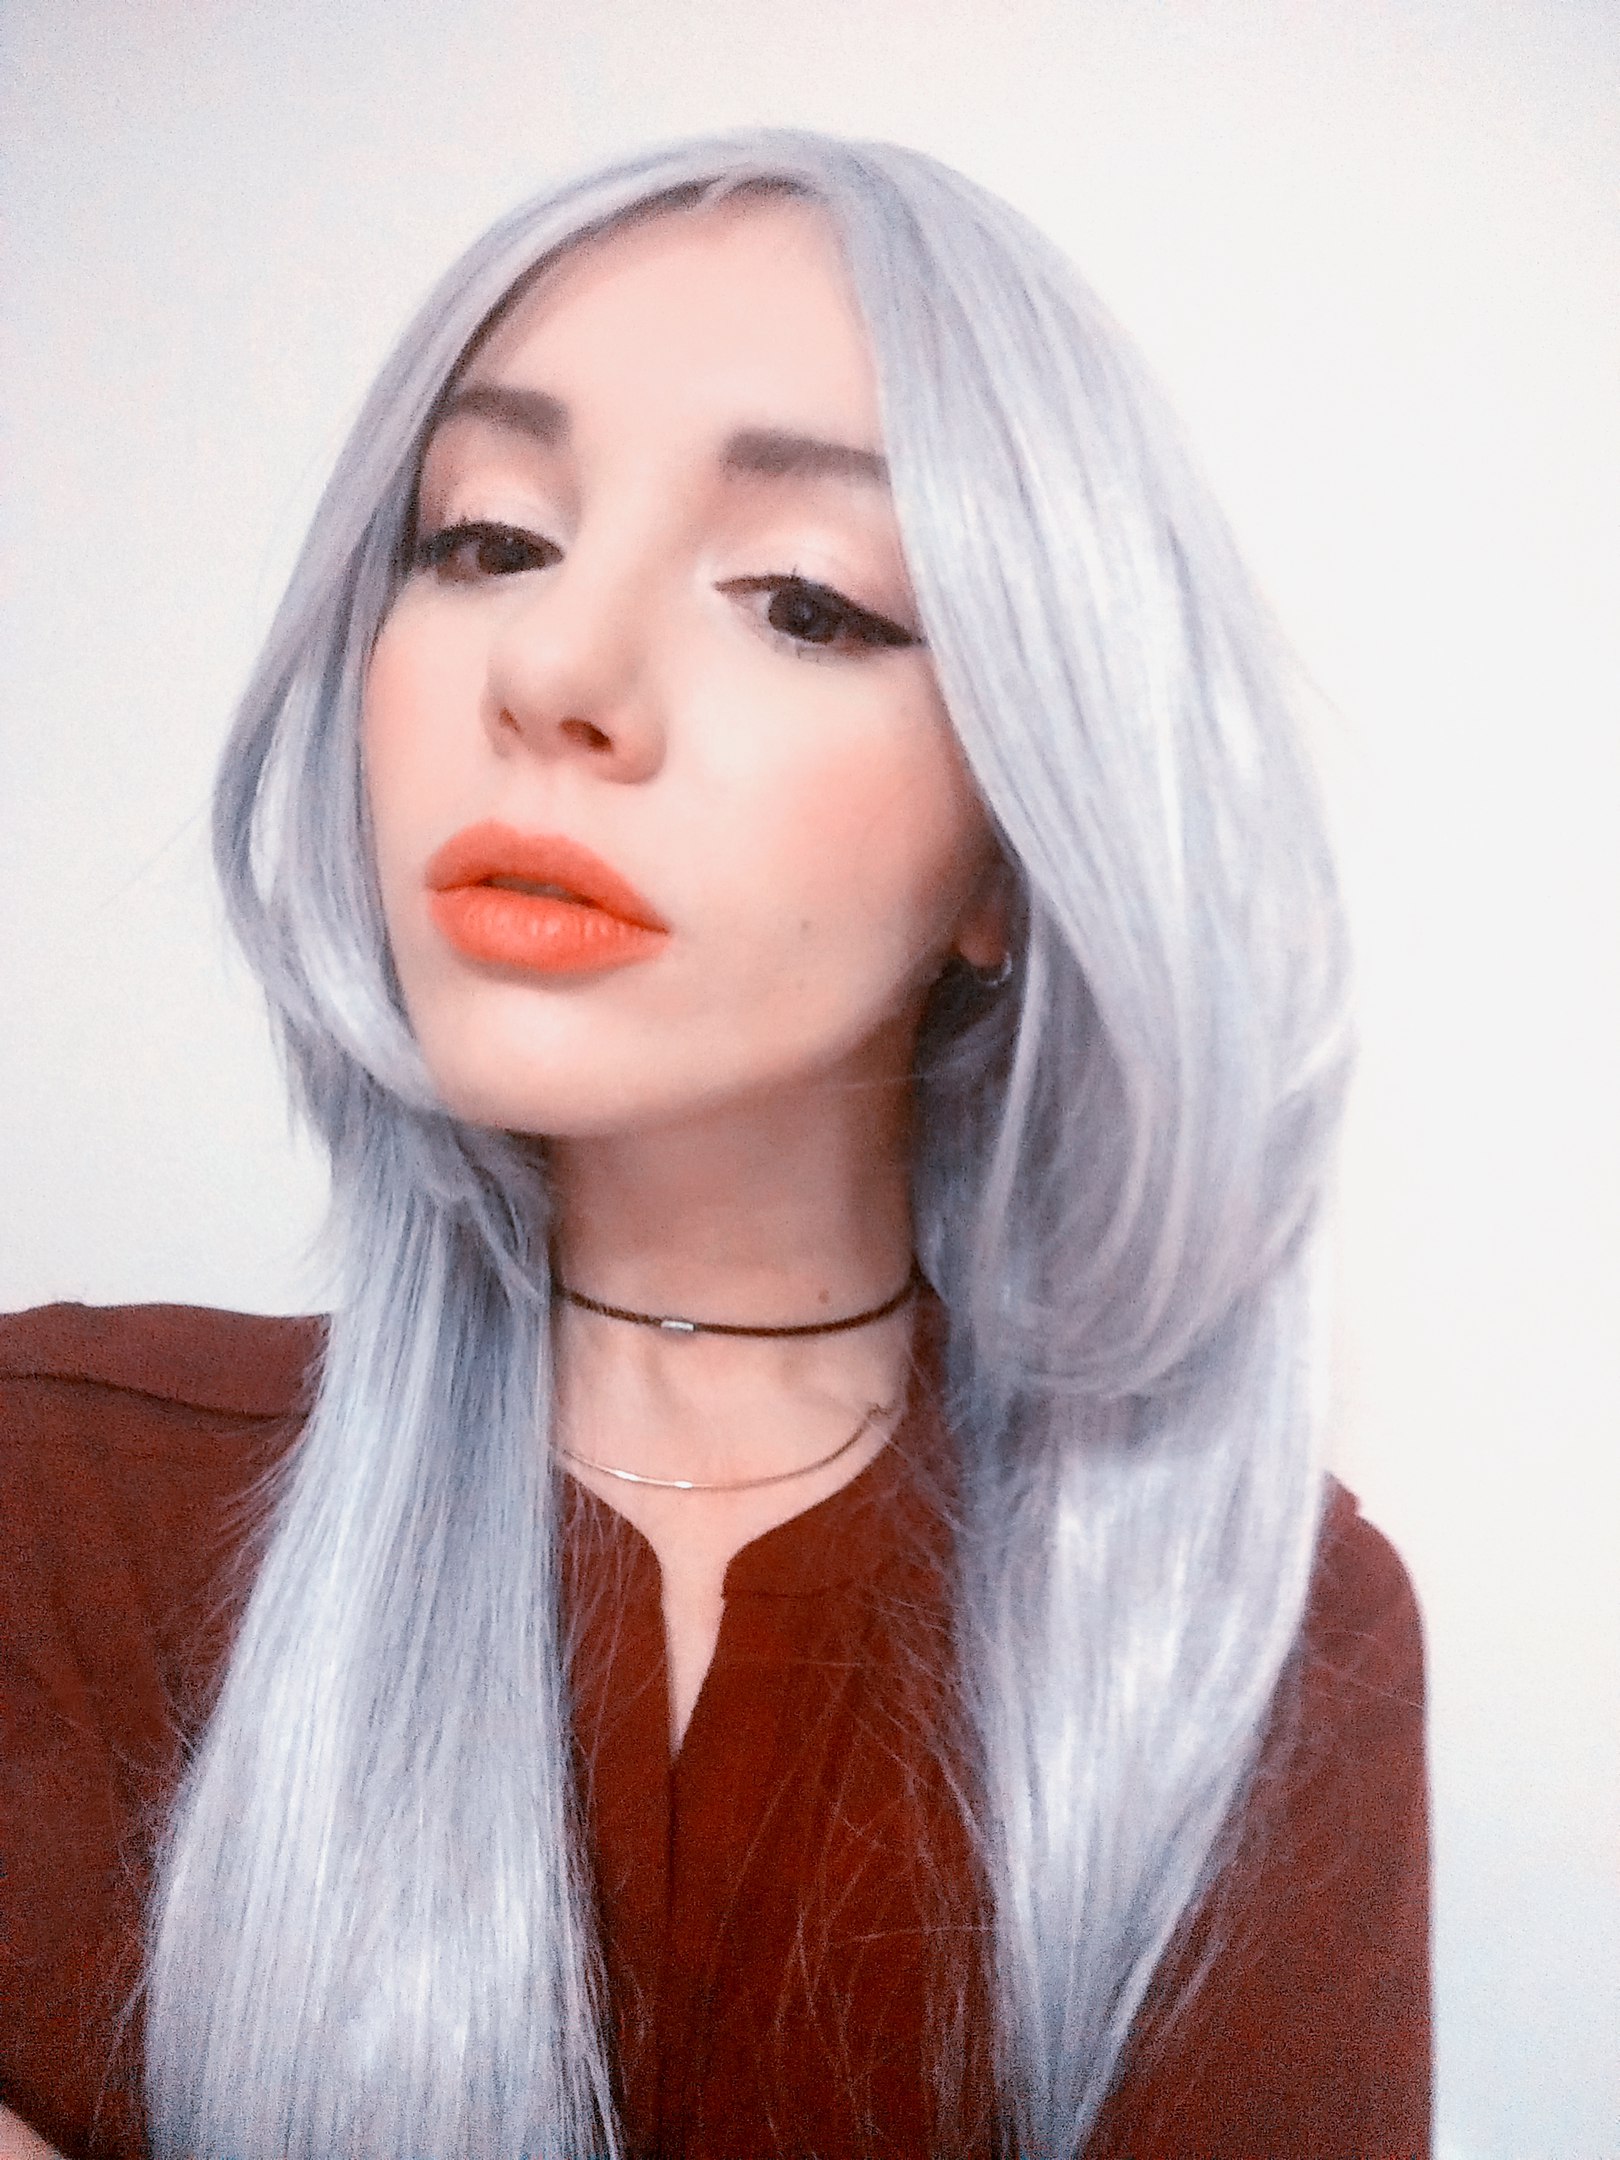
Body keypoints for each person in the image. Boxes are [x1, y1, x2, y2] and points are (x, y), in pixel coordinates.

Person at [0, 130, 1428, 2159]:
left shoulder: (1242, 1653)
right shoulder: (46, 1502)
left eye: (809, 602)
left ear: (1013, 846)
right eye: (487, 539)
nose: (555, 674)